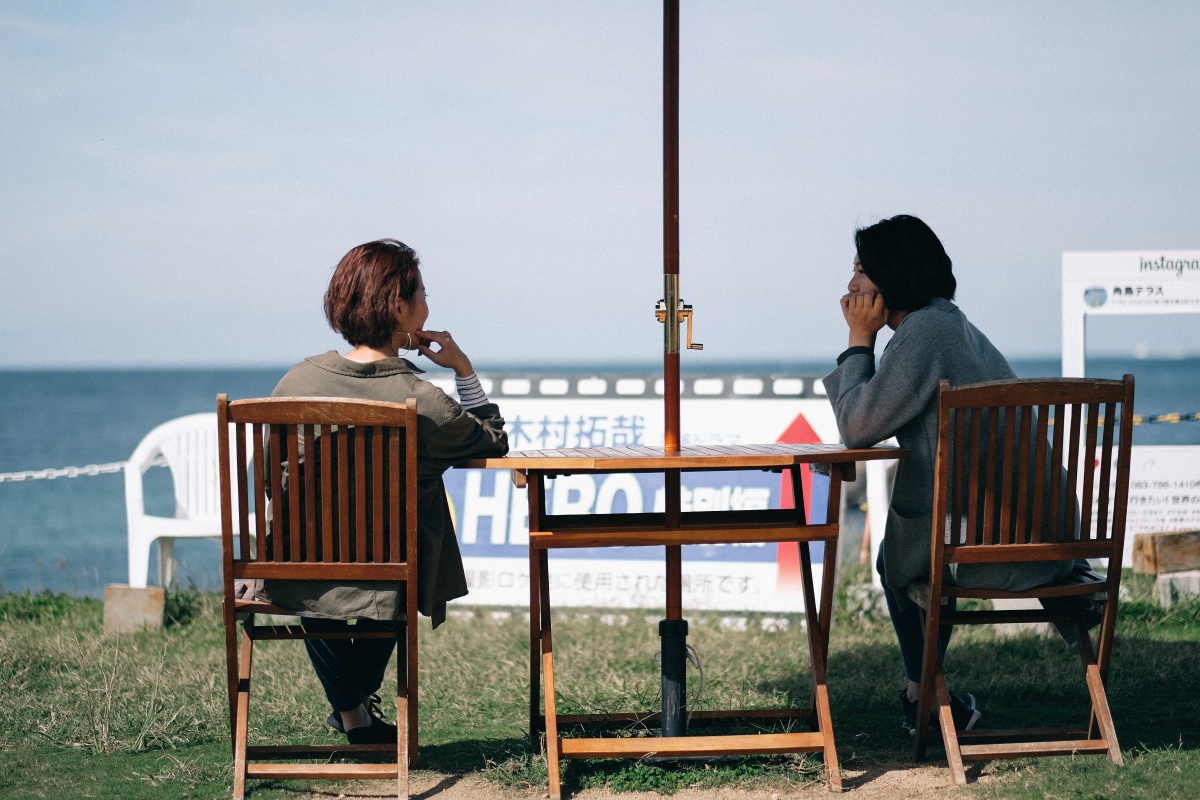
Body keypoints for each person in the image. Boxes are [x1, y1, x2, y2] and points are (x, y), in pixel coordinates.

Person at [822, 215, 1075, 736]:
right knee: (903, 553)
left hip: (990, 556)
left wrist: (857, 340)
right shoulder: (952, 324)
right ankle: (926, 695)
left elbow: (856, 427)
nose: (851, 285)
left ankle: (925, 695)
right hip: (1053, 542)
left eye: (862, 270)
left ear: (894, 275)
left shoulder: (922, 336)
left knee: (895, 562)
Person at [254, 238, 509, 744]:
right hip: (387, 576)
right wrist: (462, 368)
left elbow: (267, 477)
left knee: (319, 590)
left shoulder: (295, 382)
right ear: (398, 306)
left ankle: (354, 718)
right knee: (390, 579)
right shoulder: (420, 399)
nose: (427, 305)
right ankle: (356, 713)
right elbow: (493, 441)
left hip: (295, 569)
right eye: (423, 294)